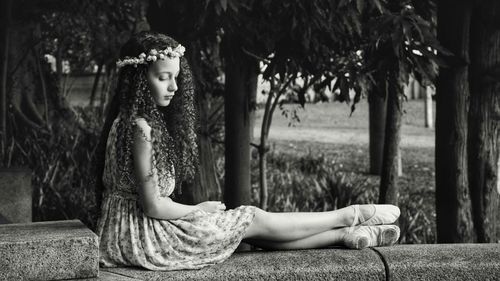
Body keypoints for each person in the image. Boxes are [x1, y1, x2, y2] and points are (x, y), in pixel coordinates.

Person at [95, 31, 401, 271]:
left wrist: (195, 213)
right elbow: (153, 207)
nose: (174, 86)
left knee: (247, 227)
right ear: (137, 79)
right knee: (249, 218)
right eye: (164, 77)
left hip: (136, 232)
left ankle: (343, 234)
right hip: (141, 238)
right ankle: (349, 215)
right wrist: (198, 210)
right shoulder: (140, 129)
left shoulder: (132, 123)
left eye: (175, 77)